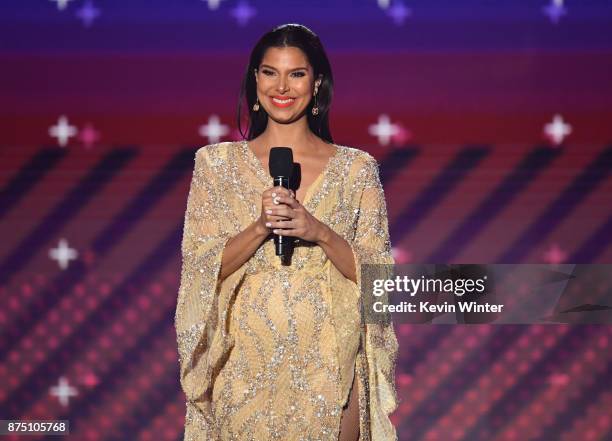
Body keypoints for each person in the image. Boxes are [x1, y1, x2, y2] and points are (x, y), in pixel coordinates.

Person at [174, 23, 399, 441]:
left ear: (317, 84)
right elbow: (201, 267)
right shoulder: (215, 166)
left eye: (296, 73)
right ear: (254, 81)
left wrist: (320, 232)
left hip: (330, 360)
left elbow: (380, 278)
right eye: (269, 72)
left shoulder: (356, 170)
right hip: (244, 365)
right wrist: (260, 227)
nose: (282, 86)